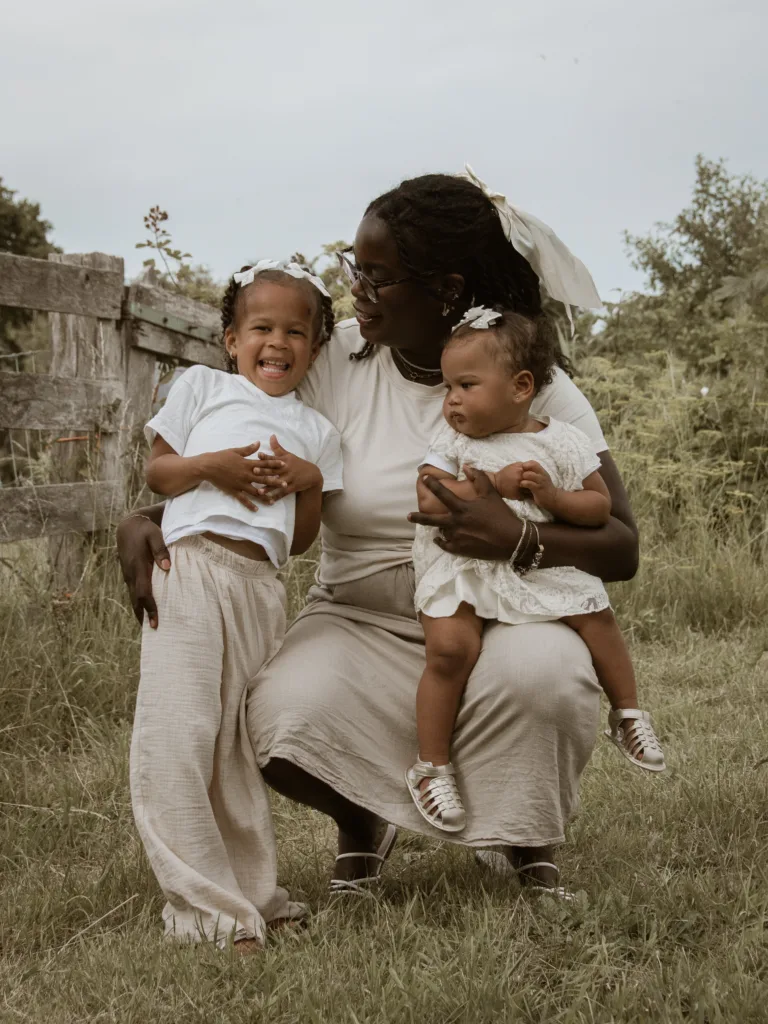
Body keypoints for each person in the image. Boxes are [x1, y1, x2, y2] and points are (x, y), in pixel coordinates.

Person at [117, 167, 641, 902]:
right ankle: (363, 817)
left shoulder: (531, 380)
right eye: (353, 266)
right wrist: (145, 519)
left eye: (377, 275)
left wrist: (514, 537)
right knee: (274, 713)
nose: (355, 289)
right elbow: (244, 447)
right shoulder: (333, 360)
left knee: (545, 678)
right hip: (358, 614)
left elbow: (622, 546)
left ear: (447, 289)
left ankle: (523, 834)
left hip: (498, 610)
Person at [130, 261, 343, 950]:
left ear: (315, 347)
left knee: (234, 748)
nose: (277, 342)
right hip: (190, 569)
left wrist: (309, 482)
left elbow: (301, 540)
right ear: (231, 339)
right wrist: (211, 467)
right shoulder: (203, 387)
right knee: (179, 733)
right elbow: (158, 471)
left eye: (296, 332)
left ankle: (254, 895)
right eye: (261, 328)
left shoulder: (317, 431)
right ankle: (206, 912)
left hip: (259, 589)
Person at [406, 306, 664, 834]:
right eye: (448, 387)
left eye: (466, 385)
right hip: (463, 563)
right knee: (450, 650)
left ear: (521, 386)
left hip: (534, 565)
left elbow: (599, 508)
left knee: (596, 616)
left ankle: (628, 713)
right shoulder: (453, 443)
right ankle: (431, 766)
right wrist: (489, 485)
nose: (451, 399)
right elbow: (428, 497)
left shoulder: (563, 441)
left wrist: (553, 497)